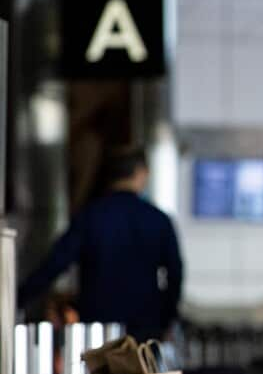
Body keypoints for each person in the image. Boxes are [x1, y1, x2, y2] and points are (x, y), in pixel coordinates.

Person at [19, 146, 184, 342]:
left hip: (97, 330)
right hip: (144, 328)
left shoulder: (90, 216)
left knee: (97, 373)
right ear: (141, 173)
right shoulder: (158, 220)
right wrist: (166, 318)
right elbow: (175, 273)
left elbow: (55, 264)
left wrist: (18, 297)